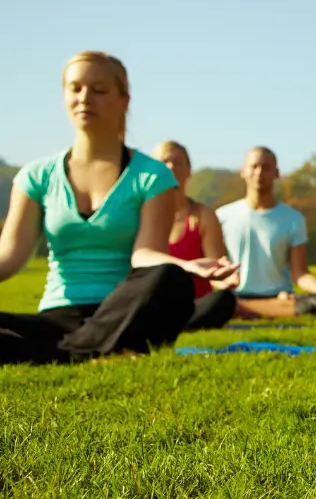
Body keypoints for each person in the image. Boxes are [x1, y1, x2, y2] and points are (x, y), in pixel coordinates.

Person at [0, 51, 238, 365]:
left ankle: (62, 353)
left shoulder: (151, 175)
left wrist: (186, 266)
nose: (85, 98)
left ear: (124, 100)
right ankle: (86, 352)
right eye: (75, 88)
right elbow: (10, 257)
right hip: (57, 319)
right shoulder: (35, 176)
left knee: (170, 279)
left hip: (126, 311)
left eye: (99, 90)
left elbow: (144, 254)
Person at [216, 147, 316, 318]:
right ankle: (250, 308)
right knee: (216, 303)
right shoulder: (222, 216)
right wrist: (222, 284)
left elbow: (300, 274)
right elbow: (215, 269)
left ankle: (246, 310)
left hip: (280, 297)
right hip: (235, 295)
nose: (259, 172)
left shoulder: (293, 219)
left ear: (276, 173)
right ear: (243, 171)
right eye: (254, 166)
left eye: (266, 167)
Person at [151, 140, 240, 330]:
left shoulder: (203, 216)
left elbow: (215, 264)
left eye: (177, 162)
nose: (171, 167)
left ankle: (169, 326)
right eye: (164, 161)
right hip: (153, 303)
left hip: (193, 306)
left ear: (189, 170)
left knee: (224, 301)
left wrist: (225, 280)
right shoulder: (139, 216)